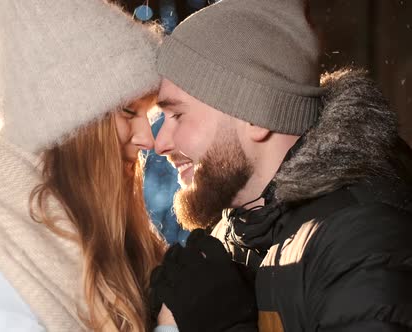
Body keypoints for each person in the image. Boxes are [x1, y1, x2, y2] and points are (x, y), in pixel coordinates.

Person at [0, 1, 172, 331]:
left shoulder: (93, 246)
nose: (148, 139)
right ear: (76, 128)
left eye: (148, 114)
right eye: (129, 112)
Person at [149, 0, 412, 331]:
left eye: (177, 115)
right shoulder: (235, 234)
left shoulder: (363, 241)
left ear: (254, 115)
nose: (161, 143)